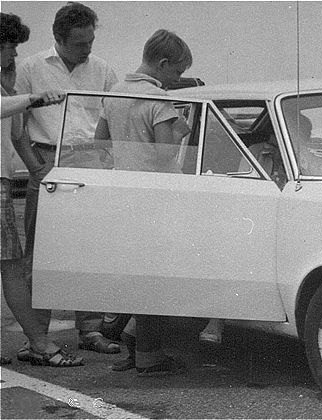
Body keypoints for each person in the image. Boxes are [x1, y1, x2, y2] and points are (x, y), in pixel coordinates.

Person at [14, 2, 120, 355]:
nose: (86, 49)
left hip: (90, 159)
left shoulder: (102, 69)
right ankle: (38, 335)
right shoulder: (30, 68)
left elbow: (113, 117)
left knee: (90, 248)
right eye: (79, 43)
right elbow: (17, 123)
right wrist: (34, 166)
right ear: (58, 38)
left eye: (90, 41)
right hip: (47, 158)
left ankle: (90, 330)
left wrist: (105, 159)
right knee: (40, 250)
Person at [96, 28, 192, 375]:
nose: (177, 79)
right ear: (163, 64)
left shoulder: (114, 93)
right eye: (177, 72)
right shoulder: (157, 99)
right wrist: (178, 124)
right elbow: (165, 152)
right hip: (155, 195)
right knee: (157, 276)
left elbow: (99, 140)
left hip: (125, 192)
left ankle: (130, 338)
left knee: (136, 270)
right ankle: (148, 353)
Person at [1, 12, 82, 367]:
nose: (14, 55)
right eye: (9, 47)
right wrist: (32, 98)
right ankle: (38, 342)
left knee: (12, 264)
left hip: (3, 181)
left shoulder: (6, 89)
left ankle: (38, 341)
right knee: (12, 266)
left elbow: (16, 131)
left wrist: (11, 88)